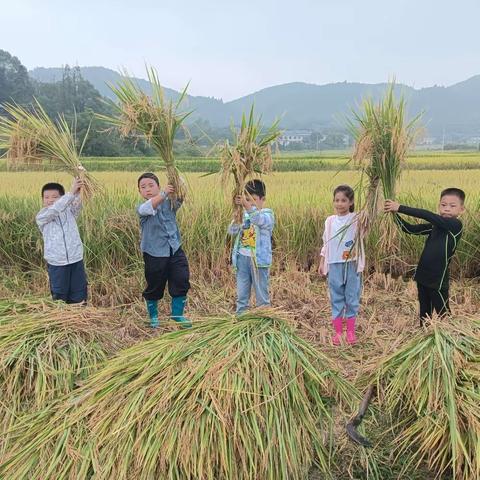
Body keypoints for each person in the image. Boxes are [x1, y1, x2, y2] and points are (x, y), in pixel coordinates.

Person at [384, 188, 465, 325]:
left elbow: (427, 215)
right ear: (439, 205)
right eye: (443, 205)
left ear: (461, 210)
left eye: (452, 206)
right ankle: (424, 334)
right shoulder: (434, 227)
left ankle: (449, 337)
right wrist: (393, 215)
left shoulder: (455, 226)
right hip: (422, 276)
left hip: (437, 280)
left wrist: (399, 207)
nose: (446, 209)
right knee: (424, 312)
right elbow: (409, 229)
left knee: (443, 313)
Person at [137, 173, 191, 328]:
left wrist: (177, 179)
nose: (147, 189)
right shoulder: (142, 208)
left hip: (174, 249)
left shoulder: (170, 204)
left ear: (158, 186)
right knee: (154, 284)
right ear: (140, 192)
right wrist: (164, 193)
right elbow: (150, 206)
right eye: (143, 187)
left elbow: (181, 196)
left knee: (181, 279)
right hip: (154, 254)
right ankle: (153, 317)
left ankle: (177, 315)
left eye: (151, 185)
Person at [319, 185, 365, 345]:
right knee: (336, 298)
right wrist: (322, 261)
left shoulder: (357, 218)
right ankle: (338, 333)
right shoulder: (330, 221)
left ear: (351, 202)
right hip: (334, 264)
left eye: (344, 200)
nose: (340, 204)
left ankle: (351, 331)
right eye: (337, 200)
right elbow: (326, 242)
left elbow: (369, 224)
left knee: (352, 297)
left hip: (351, 264)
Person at [36, 178, 88, 304]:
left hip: (76, 259)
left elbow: (79, 200)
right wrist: (71, 192)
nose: (50, 200)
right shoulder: (42, 216)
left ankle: (79, 318)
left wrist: (82, 184)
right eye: (46, 197)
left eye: (55, 197)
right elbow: (55, 209)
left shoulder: (70, 212)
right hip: (57, 263)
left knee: (79, 293)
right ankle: (62, 319)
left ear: (62, 197)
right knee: (60, 296)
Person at [228, 179, 274, 314]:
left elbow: (258, 220)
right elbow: (232, 231)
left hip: (258, 261)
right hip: (242, 259)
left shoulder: (268, 214)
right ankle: (241, 319)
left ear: (263, 199)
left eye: (253, 199)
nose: (250, 202)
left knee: (261, 296)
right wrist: (236, 217)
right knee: (241, 294)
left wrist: (246, 205)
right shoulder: (243, 214)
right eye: (247, 199)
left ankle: (264, 319)